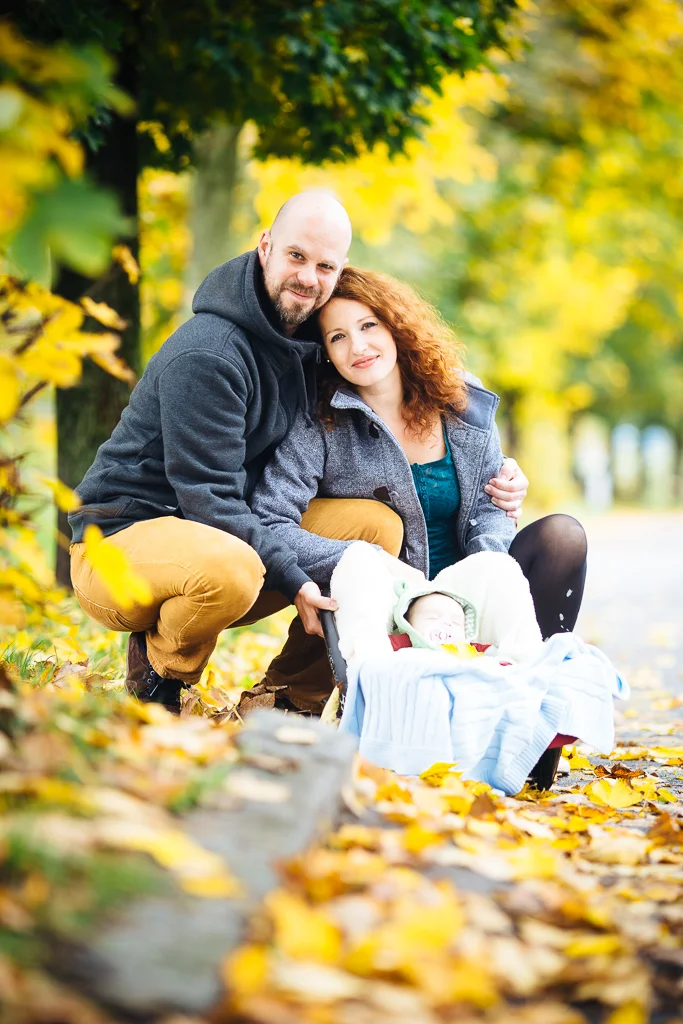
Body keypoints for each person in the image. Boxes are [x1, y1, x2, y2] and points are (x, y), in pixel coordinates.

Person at [67, 191, 528, 712]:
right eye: (296, 256)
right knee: (235, 567)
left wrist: (499, 478)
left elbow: (360, 426)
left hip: (225, 534)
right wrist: (297, 578)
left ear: (340, 270)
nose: (308, 277)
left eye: (325, 265)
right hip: (121, 542)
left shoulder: (316, 337)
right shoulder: (209, 353)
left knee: (374, 529)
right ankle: (159, 678)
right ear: (265, 246)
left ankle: (287, 698)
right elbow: (208, 500)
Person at [251, 266, 588, 709]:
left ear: (395, 325)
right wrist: (361, 561)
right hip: (385, 600)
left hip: (472, 586)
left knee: (563, 537)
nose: (358, 347)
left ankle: (536, 717)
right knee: (363, 569)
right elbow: (270, 519)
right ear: (325, 353)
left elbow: (491, 506)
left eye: (368, 325)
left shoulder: (460, 399)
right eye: (337, 337)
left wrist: (468, 580)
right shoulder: (320, 421)